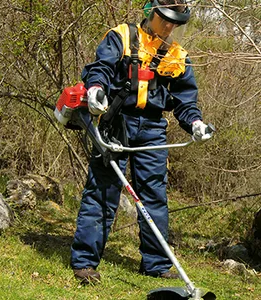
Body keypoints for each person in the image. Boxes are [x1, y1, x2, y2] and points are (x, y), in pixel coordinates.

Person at [70, 0, 213, 284]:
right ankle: (85, 262)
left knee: (154, 196)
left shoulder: (177, 55)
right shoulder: (121, 36)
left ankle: (156, 264)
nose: (170, 27)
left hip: (153, 128)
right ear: (151, 12)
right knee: (103, 191)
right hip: (116, 121)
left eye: (175, 23)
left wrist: (195, 123)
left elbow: (185, 101)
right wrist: (96, 89)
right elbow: (100, 69)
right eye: (165, 20)